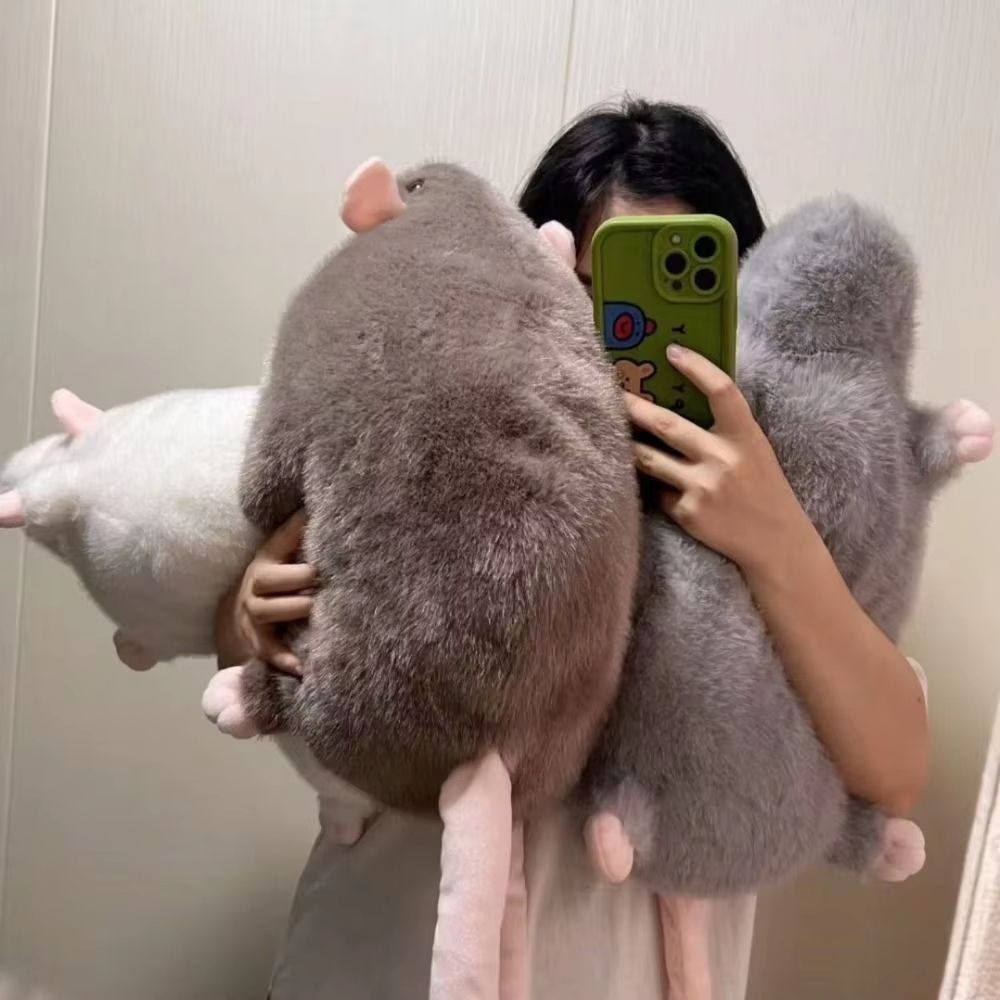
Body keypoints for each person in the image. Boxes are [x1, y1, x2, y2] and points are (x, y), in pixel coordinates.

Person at [214, 98, 929, 1000]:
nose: (630, 335)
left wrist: (774, 537)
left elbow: (895, 771)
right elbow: (255, 662)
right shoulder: (438, 462)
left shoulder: (811, 526)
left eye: (684, 294)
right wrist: (246, 614)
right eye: (594, 291)